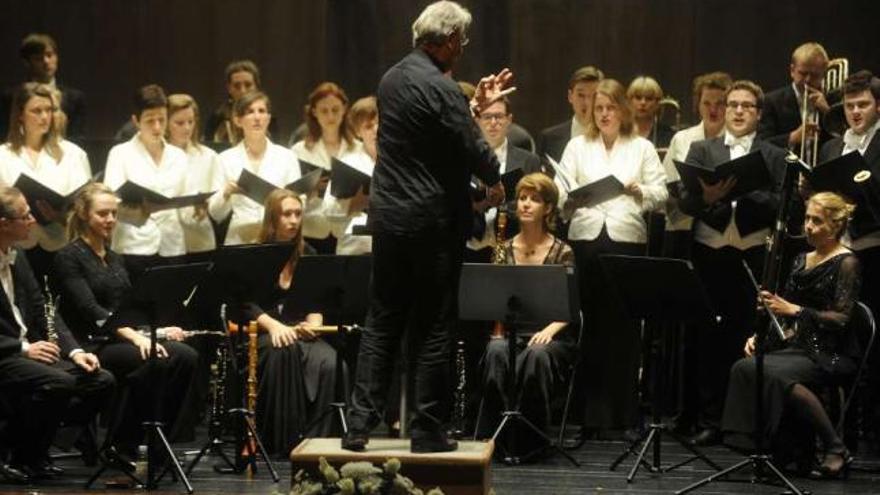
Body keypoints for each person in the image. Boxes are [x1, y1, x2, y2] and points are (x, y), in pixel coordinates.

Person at [343, 0, 506, 454]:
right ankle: (427, 429)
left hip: (391, 218)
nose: (463, 49)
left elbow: (430, 132)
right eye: (463, 42)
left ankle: (359, 426)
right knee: (434, 325)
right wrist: (491, 173)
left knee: (382, 320)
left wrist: (470, 103)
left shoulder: (391, 78)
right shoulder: (443, 87)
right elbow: (482, 158)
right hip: (433, 223)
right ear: (450, 39)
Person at [52, 182, 198, 457]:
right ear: (84, 214)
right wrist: (137, 336)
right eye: (102, 213)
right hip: (90, 344)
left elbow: (128, 309)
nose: (110, 220)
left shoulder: (115, 258)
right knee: (156, 360)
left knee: (186, 355)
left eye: (114, 214)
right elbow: (91, 310)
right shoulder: (68, 257)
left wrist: (158, 331)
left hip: (119, 338)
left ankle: (156, 437)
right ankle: (122, 444)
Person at [678, 80, 787, 446]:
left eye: (747, 106)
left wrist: (744, 188)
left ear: (758, 113)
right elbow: (684, 202)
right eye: (733, 104)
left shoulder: (773, 154)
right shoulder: (701, 148)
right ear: (723, 110)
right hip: (709, 253)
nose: (739, 111)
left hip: (752, 254)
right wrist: (707, 197)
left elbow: (781, 205)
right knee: (709, 339)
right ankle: (709, 419)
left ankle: (743, 424)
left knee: (747, 337)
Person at [722, 191, 860, 479]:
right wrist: (760, 335)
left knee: (778, 375)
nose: (808, 226)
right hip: (799, 347)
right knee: (745, 366)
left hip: (830, 350)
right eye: (807, 219)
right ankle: (763, 447)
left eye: (817, 221)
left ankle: (835, 446)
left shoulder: (847, 262)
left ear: (835, 226)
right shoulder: (800, 259)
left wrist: (795, 310)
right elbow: (782, 313)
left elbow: (842, 319)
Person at [557, 78, 667, 434]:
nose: (604, 114)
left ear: (623, 110)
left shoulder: (642, 147)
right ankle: (586, 414)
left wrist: (639, 191)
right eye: (598, 108)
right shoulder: (577, 145)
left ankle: (621, 413)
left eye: (610, 108)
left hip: (625, 238)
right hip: (587, 238)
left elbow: (662, 194)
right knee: (590, 324)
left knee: (623, 326)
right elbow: (560, 191)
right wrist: (570, 198)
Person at [0, 186, 113, 483]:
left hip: (25, 350)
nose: (33, 221)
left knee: (100, 379)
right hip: (6, 353)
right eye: (25, 216)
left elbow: (43, 309)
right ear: (4, 224)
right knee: (59, 382)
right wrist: (24, 348)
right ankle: (21, 454)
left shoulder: (18, 255)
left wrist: (75, 351)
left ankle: (36, 447)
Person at [237, 188, 340, 456]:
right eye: (286, 214)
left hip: (298, 331)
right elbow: (245, 303)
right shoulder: (256, 255)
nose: (293, 220)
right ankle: (281, 441)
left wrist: (313, 326)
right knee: (284, 350)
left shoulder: (309, 253)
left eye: (297, 214)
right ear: (273, 218)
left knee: (329, 361)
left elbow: (316, 303)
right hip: (263, 332)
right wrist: (273, 326)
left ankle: (318, 442)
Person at [477, 173, 577, 445]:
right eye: (522, 198)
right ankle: (496, 437)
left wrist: (549, 331)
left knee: (536, 354)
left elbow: (569, 306)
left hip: (550, 333)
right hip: (511, 332)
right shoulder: (502, 249)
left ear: (548, 208)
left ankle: (531, 439)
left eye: (534, 199)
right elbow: (493, 300)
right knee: (495, 351)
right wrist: (499, 332)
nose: (526, 204)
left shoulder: (563, 251)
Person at [659, 72, 732, 434]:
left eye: (721, 102)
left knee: (712, 330)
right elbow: (672, 189)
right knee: (684, 328)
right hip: (683, 236)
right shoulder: (683, 139)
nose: (715, 109)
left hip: (717, 241)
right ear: (697, 104)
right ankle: (682, 411)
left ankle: (710, 414)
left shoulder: (734, 141)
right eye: (708, 103)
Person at [815, 70, 880, 447]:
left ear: (877, 106)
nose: (855, 112)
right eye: (850, 106)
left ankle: (870, 421)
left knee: (872, 335)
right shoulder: (830, 146)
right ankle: (842, 422)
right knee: (839, 335)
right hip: (838, 251)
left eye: (863, 105)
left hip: (873, 248)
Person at [0, 83, 91, 286]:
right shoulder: (3, 156)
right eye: (36, 111)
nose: (44, 117)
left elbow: (85, 205)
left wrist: (59, 216)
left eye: (49, 110)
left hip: (61, 246)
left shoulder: (73, 154)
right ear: (20, 115)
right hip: (17, 249)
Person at [102, 84, 188, 280]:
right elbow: (111, 201)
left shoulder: (178, 156)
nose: (157, 127)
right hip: (133, 246)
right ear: (136, 121)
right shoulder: (120, 154)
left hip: (172, 246)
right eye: (150, 121)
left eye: (162, 120)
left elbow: (182, 200)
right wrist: (141, 210)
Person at [207, 91, 301, 245]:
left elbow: (299, 200)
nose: (257, 117)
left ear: (268, 119)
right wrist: (226, 193)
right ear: (238, 120)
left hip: (278, 237)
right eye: (250, 112)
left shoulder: (287, 156)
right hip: (240, 239)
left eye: (262, 111)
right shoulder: (225, 158)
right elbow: (216, 214)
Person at [291, 82, 362, 253]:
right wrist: (309, 190)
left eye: (335, 109)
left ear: (345, 109)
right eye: (324, 110)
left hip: (348, 230)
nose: (330, 116)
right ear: (314, 112)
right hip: (312, 229)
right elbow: (290, 195)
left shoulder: (359, 149)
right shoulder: (299, 150)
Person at [468, 96, 542, 258]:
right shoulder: (465, 158)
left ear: (509, 120)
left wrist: (503, 205)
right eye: (487, 117)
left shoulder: (528, 161)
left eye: (499, 116)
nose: (493, 122)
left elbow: (538, 206)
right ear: (478, 120)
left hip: (515, 248)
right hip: (469, 247)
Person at [0, 34, 86, 142]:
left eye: (49, 55)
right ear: (27, 62)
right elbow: (4, 136)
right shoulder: (11, 97)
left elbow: (78, 139)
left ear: (57, 57)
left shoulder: (75, 98)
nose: (46, 61)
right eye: (38, 58)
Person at [166, 94, 223, 254]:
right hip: (168, 240)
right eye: (179, 123)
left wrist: (207, 205)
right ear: (166, 123)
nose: (187, 128)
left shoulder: (209, 156)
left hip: (200, 238)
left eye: (191, 122)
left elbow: (217, 201)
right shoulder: (160, 155)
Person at [323, 96, 376, 256]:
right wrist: (353, 204)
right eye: (368, 126)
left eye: (381, 123)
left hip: (391, 251)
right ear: (358, 132)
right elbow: (328, 210)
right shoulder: (348, 163)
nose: (376, 129)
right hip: (354, 249)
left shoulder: (401, 162)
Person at [758, 42, 831, 155]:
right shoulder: (772, 101)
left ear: (823, 74)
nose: (807, 80)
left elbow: (845, 138)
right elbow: (761, 144)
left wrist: (827, 112)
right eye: (803, 73)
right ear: (792, 70)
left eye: (815, 75)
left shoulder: (832, 101)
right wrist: (792, 138)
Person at [535, 66, 604, 164]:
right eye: (581, 95)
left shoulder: (611, 136)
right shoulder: (548, 138)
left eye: (593, 96)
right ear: (570, 96)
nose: (587, 102)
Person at [204, 60, 278, 144]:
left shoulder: (268, 118)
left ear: (256, 86)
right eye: (236, 86)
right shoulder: (217, 119)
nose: (243, 91)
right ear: (229, 89)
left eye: (248, 85)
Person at [627, 76, 675, 151]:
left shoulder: (668, 134)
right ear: (629, 101)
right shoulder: (620, 131)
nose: (643, 103)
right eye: (638, 98)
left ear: (657, 103)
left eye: (649, 98)